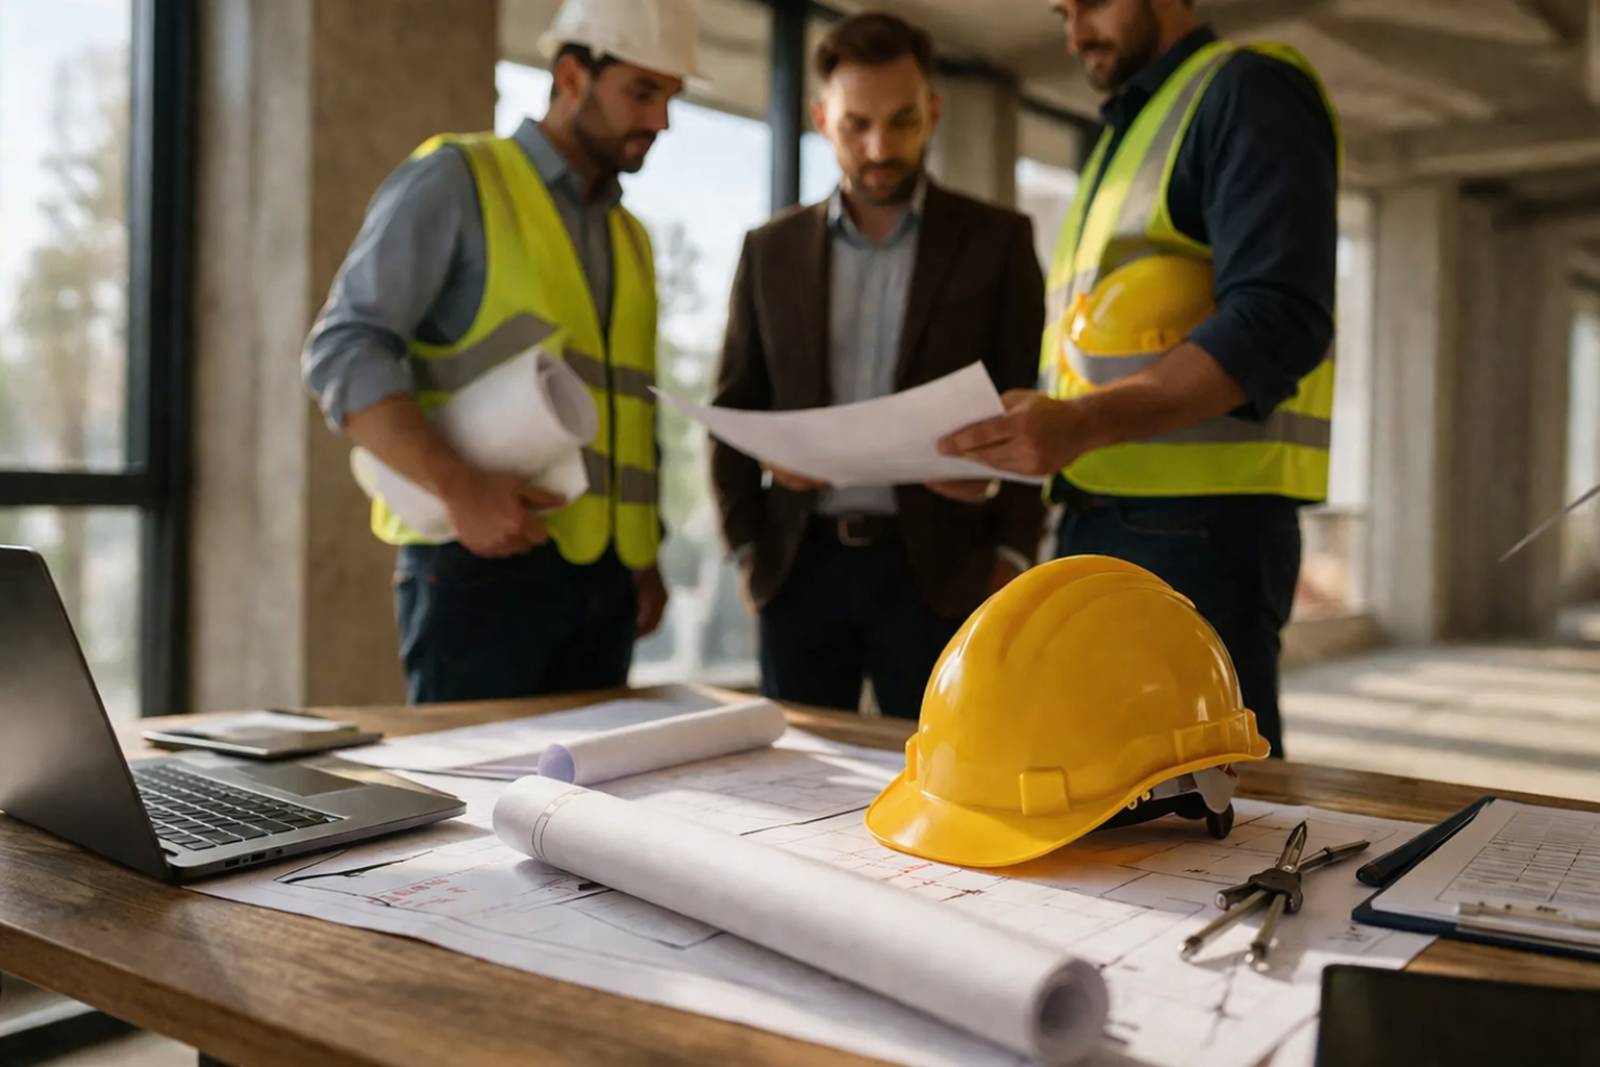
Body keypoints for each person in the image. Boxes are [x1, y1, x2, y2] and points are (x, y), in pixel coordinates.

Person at [939, 0, 1340, 755]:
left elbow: (1280, 318)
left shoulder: (1248, 92)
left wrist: (1081, 424)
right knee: (1106, 791)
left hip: (1203, 533)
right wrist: (1017, 446)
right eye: (1062, 12)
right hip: (1103, 516)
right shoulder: (1121, 138)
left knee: (1210, 803)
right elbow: (1096, 357)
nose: (1074, 32)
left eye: (1091, 3)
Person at [301, 0, 699, 704]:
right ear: (572, 77)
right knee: (478, 810)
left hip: (608, 588)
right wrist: (458, 487)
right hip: (476, 571)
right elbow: (343, 348)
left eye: (671, 97)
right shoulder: (458, 181)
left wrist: (644, 553)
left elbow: (629, 413)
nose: (660, 121)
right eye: (643, 92)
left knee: (585, 809)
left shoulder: (632, 238)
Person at [711, 12, 1046, 720]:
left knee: (946, 783)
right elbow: (734, 406)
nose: (878, 147)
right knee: (798, 785)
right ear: (820, 117)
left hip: (947, 572)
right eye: (855, 125)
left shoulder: (999, 242)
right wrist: (747, 550)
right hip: (800, 569)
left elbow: (1027, 406)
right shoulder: (768, 251)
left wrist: (1011, 559)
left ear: (933, 110)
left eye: (900, 122)